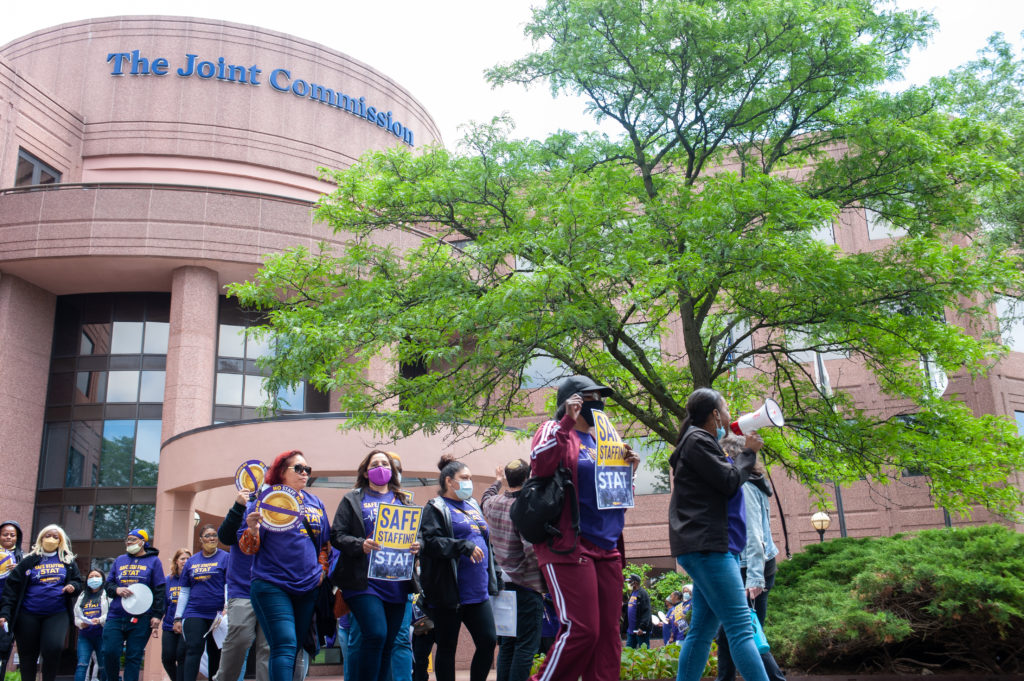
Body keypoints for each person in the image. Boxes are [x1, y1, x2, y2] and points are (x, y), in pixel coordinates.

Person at [527, 375, 639, 681]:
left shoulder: (605, 441)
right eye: (590, 397)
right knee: (582, 629)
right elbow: (540, 464)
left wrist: (629, 469)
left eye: (601, 398)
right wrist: (566, 422)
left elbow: (613, 498)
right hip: (570, 544)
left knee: (608, 634)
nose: (598, 403)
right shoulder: (553, 429)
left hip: (607, 546)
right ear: (572, 400)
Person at [669, 388, 768, 681]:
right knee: (740, 627)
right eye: (725, 409)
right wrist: (748, 452)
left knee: (701, 630)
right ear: (714, 414)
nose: (728, 414)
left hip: (706, 546)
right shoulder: (698, 441)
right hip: (709, 547)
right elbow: (728, 482)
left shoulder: (701, 442)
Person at [239, 450, 330, 681]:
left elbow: (324, 545)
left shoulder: (315, 502)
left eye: (307, 470)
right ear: (281, 471)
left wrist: (322, 570)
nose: (304, 473)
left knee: (296, 646)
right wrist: (252, 529)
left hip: (308, 587)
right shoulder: (266, 499)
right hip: (272, 584)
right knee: (284, 644)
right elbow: (247, 548)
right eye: (298, 468)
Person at [331, 449, 420, 681]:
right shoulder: (353, 499)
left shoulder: (404, 500)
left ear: (392, 470)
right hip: (363, 582)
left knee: (389, 643)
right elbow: (337, 535)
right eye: (374, 464)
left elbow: (418, 535)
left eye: (385, 463)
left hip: (396, 582)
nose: (380, 467)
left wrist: (418, 545)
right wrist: (360, 544)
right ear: (366, 471)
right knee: (376, 634)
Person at [420, 455, 498, 681]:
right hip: (449, 593)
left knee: (487, 641)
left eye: (470, 478)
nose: (469, 482)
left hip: (478, 591)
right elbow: (431, 543)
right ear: (448, 481)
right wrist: (462, 546)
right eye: (464, 478)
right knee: (447, 648)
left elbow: (485, 540)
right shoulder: (436, 507)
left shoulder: (473, 505)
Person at [714, 435, 785, 681]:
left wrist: (754, 578)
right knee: (732, 633)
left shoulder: (744, 487)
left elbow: (754, 535)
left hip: (750, 568)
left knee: (746, 632)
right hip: (754, 566)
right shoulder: (752, 482)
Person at [481, 459, 545, 681]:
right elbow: (530, 549)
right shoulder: (527, 507)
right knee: (526, 646)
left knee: (507, 644)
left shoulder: (493, 503)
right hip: (526, 585)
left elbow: (485, 498)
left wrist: (497, 481)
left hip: (502, 585)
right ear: (528, 478)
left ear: (508, 478)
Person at [0, 524, 83, 681]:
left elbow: (78, 582)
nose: (51, 539)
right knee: (27, 654)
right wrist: (5, 613)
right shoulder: (28, 561)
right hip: (27, 614)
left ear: (61, 541)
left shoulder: (67, 561)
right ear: (41, 538)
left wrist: (73, 586)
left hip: (56, 613)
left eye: (55, 537)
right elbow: (11, 589)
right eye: (48, 536)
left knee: (53, 648)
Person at [215, 489, 271, 681]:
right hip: (242, 588)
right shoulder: (245, 507)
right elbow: (225, 536)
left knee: (268, 647)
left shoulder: (283, 507)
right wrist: (238, 506)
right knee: (239, 639)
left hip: (273, 588)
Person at [103, 528, 166, 681]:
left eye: (133, 539)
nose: (129, 542)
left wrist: (157, 615)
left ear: (142, 542)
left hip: (142, 617)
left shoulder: (154, 561)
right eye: (128, 540)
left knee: (134, 656)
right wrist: (116, 589)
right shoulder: (120, 560)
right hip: (116, 615)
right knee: (109, 652)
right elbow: (108, 584)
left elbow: (159, 589)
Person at [176, 524, 229, 681]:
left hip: (218, 614)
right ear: (200, 540)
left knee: (215, 652)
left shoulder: (226, 558)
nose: (212, 538)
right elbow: (184, 591)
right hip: (194, 612)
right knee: (194, 649)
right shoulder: (191, 561)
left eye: (214, 535)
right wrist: (178, 617)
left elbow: (229, 584)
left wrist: (227, 606)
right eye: (207, 535)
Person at [162, 548, 191, 681]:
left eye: (188, 558)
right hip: (169, 624)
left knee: (181, 656)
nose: (185, 561)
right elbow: (163, 603)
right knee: (167, 658)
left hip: (187, 624)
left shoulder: (192, 579)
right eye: (182, 558)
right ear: (176, 561)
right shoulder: (168, 580)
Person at [74, 569, 109, 681]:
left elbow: (111, 613)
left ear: (102, 579)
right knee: (82, 664)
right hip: (85, 635)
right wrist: (80, 623)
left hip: (102, 635)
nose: (94, 578)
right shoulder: (83, 595)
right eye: (91, 576)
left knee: (104, 666)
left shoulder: (107, 594)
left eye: (96, 576)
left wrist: (99, 620)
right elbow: (76, 615)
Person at [625, 574, 652, 649]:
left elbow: (647, 611)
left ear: (635, 582)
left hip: (640, 630)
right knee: (628, 652)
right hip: (631, 630)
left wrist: (642, 627)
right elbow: (630, 607)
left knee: (644, 653)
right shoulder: (632, 593)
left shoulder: (643, 594)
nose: (628, 584)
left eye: (630, 582)